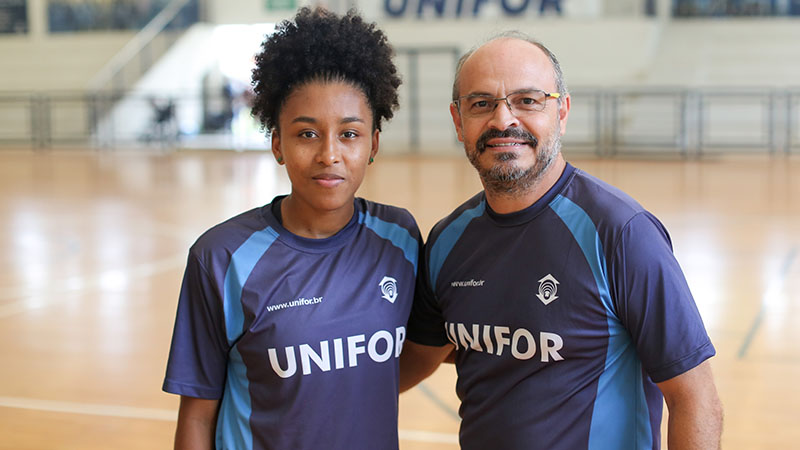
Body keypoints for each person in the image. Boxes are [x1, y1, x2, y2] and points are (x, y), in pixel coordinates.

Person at [400, 33, 723, 449]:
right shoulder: (447, 242)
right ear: (458, 120)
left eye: (528, 100)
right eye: (481, 103)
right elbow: (413, 361)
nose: (503, 120)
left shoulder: (620, 233)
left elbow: (695, 397)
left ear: (562, 112)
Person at [162, 8, 420, 450]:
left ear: (373, 143)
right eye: (306, 135)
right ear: (277, 143)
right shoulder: (223, 258)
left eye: (350, 134)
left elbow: (429, 345)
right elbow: (197, 417)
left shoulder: (400, 238)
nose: (329, 154)